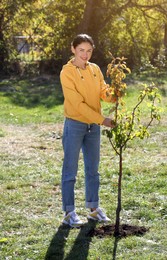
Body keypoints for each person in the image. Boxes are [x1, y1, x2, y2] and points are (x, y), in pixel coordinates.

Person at [60, 34, 115, 227]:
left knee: (93, 170)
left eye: (89, 50)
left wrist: (115, 92)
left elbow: (103, 92)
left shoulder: (95, 69)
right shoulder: (67, 72)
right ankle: (69, 212)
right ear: (73, 49)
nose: (85, 54)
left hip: (93, 127)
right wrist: (102, 120)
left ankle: (93, 210)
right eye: (81, 50)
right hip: (75, 124)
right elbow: (77, 104)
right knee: (70, 170)